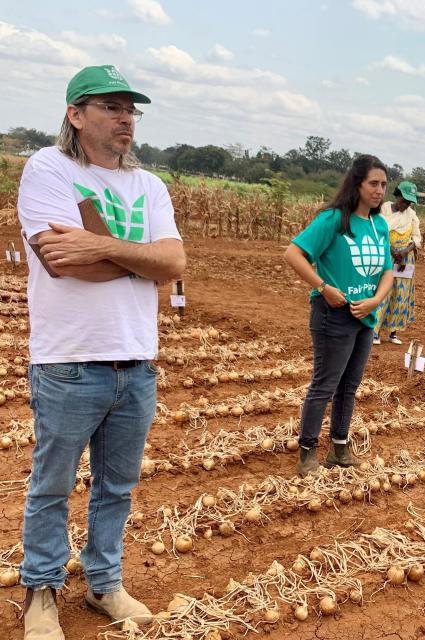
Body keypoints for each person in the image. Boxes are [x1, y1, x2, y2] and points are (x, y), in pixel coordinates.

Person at [16, 65, 186, 639]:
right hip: (68, 361)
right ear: (75, 114)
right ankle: (41, 588)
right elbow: (64, 262)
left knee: (118, 486)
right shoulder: (48, 169)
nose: (125, 119)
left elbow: (175, 264)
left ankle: (104, 584)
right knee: (52, 485)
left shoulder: (150, 186)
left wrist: (103, 246)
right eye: (111, 107)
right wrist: (141, 260)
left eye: (131, 109)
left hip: (136, 363)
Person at [285, 155, 394, 477]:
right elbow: (293, 253)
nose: (379, 191)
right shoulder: (334, 219)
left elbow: (388, 271)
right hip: (333, 314)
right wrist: (324, 286)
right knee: (325, 384)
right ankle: (307, 453)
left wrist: (375, 300)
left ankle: (339, 448)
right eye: (373, 183)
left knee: (350, 386)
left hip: (364, 317)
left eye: (384, 185)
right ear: (357, 184)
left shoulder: (379, 224)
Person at [373, 181, 422, 345]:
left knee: (400, 295)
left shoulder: (412, 215)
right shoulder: (383, 210)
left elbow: (416, 238)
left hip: (405, 259)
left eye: (409, 202)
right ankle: (375, 331)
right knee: (383, 292)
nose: (406, 205)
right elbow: (378, 233)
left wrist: (404, 252)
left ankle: (393, 332)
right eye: (404, 200)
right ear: (397, 195)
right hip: (386, 255)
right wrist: (393, 251)